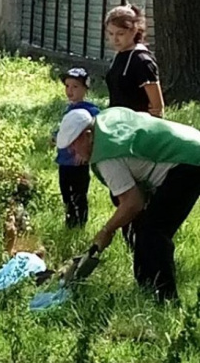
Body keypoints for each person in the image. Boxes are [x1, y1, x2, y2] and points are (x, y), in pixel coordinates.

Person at [56, 106, 200, 302]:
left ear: (88, 135)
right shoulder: (105, 120)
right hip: (190, 142)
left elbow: (133, 202)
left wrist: (106, 231)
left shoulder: (106, 156)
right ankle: (146, 289)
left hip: (188, 162)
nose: (72, 152)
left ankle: (165, 301)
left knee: (154, 232)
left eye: (74, 145)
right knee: (141, 225)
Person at [55, 68, 100, 228]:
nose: (70, 91)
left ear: (85, 89)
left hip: (78, 162)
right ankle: (70, 221)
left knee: (79, 194)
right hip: (64, 161)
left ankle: (80, 222)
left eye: (75, 87)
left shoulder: (91, 111)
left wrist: (87, 151)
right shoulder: (69, 109)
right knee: (66, 194)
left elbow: (96, 132)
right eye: (67, 86)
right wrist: (55, 137)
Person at [105, 5, 164, 117]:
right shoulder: (119, 55)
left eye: (120, 34)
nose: (115, 39)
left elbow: (157, 108)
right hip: (116, 123)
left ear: (134, 30)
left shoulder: (142, 60)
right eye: (111, 34)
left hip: (137, 126)